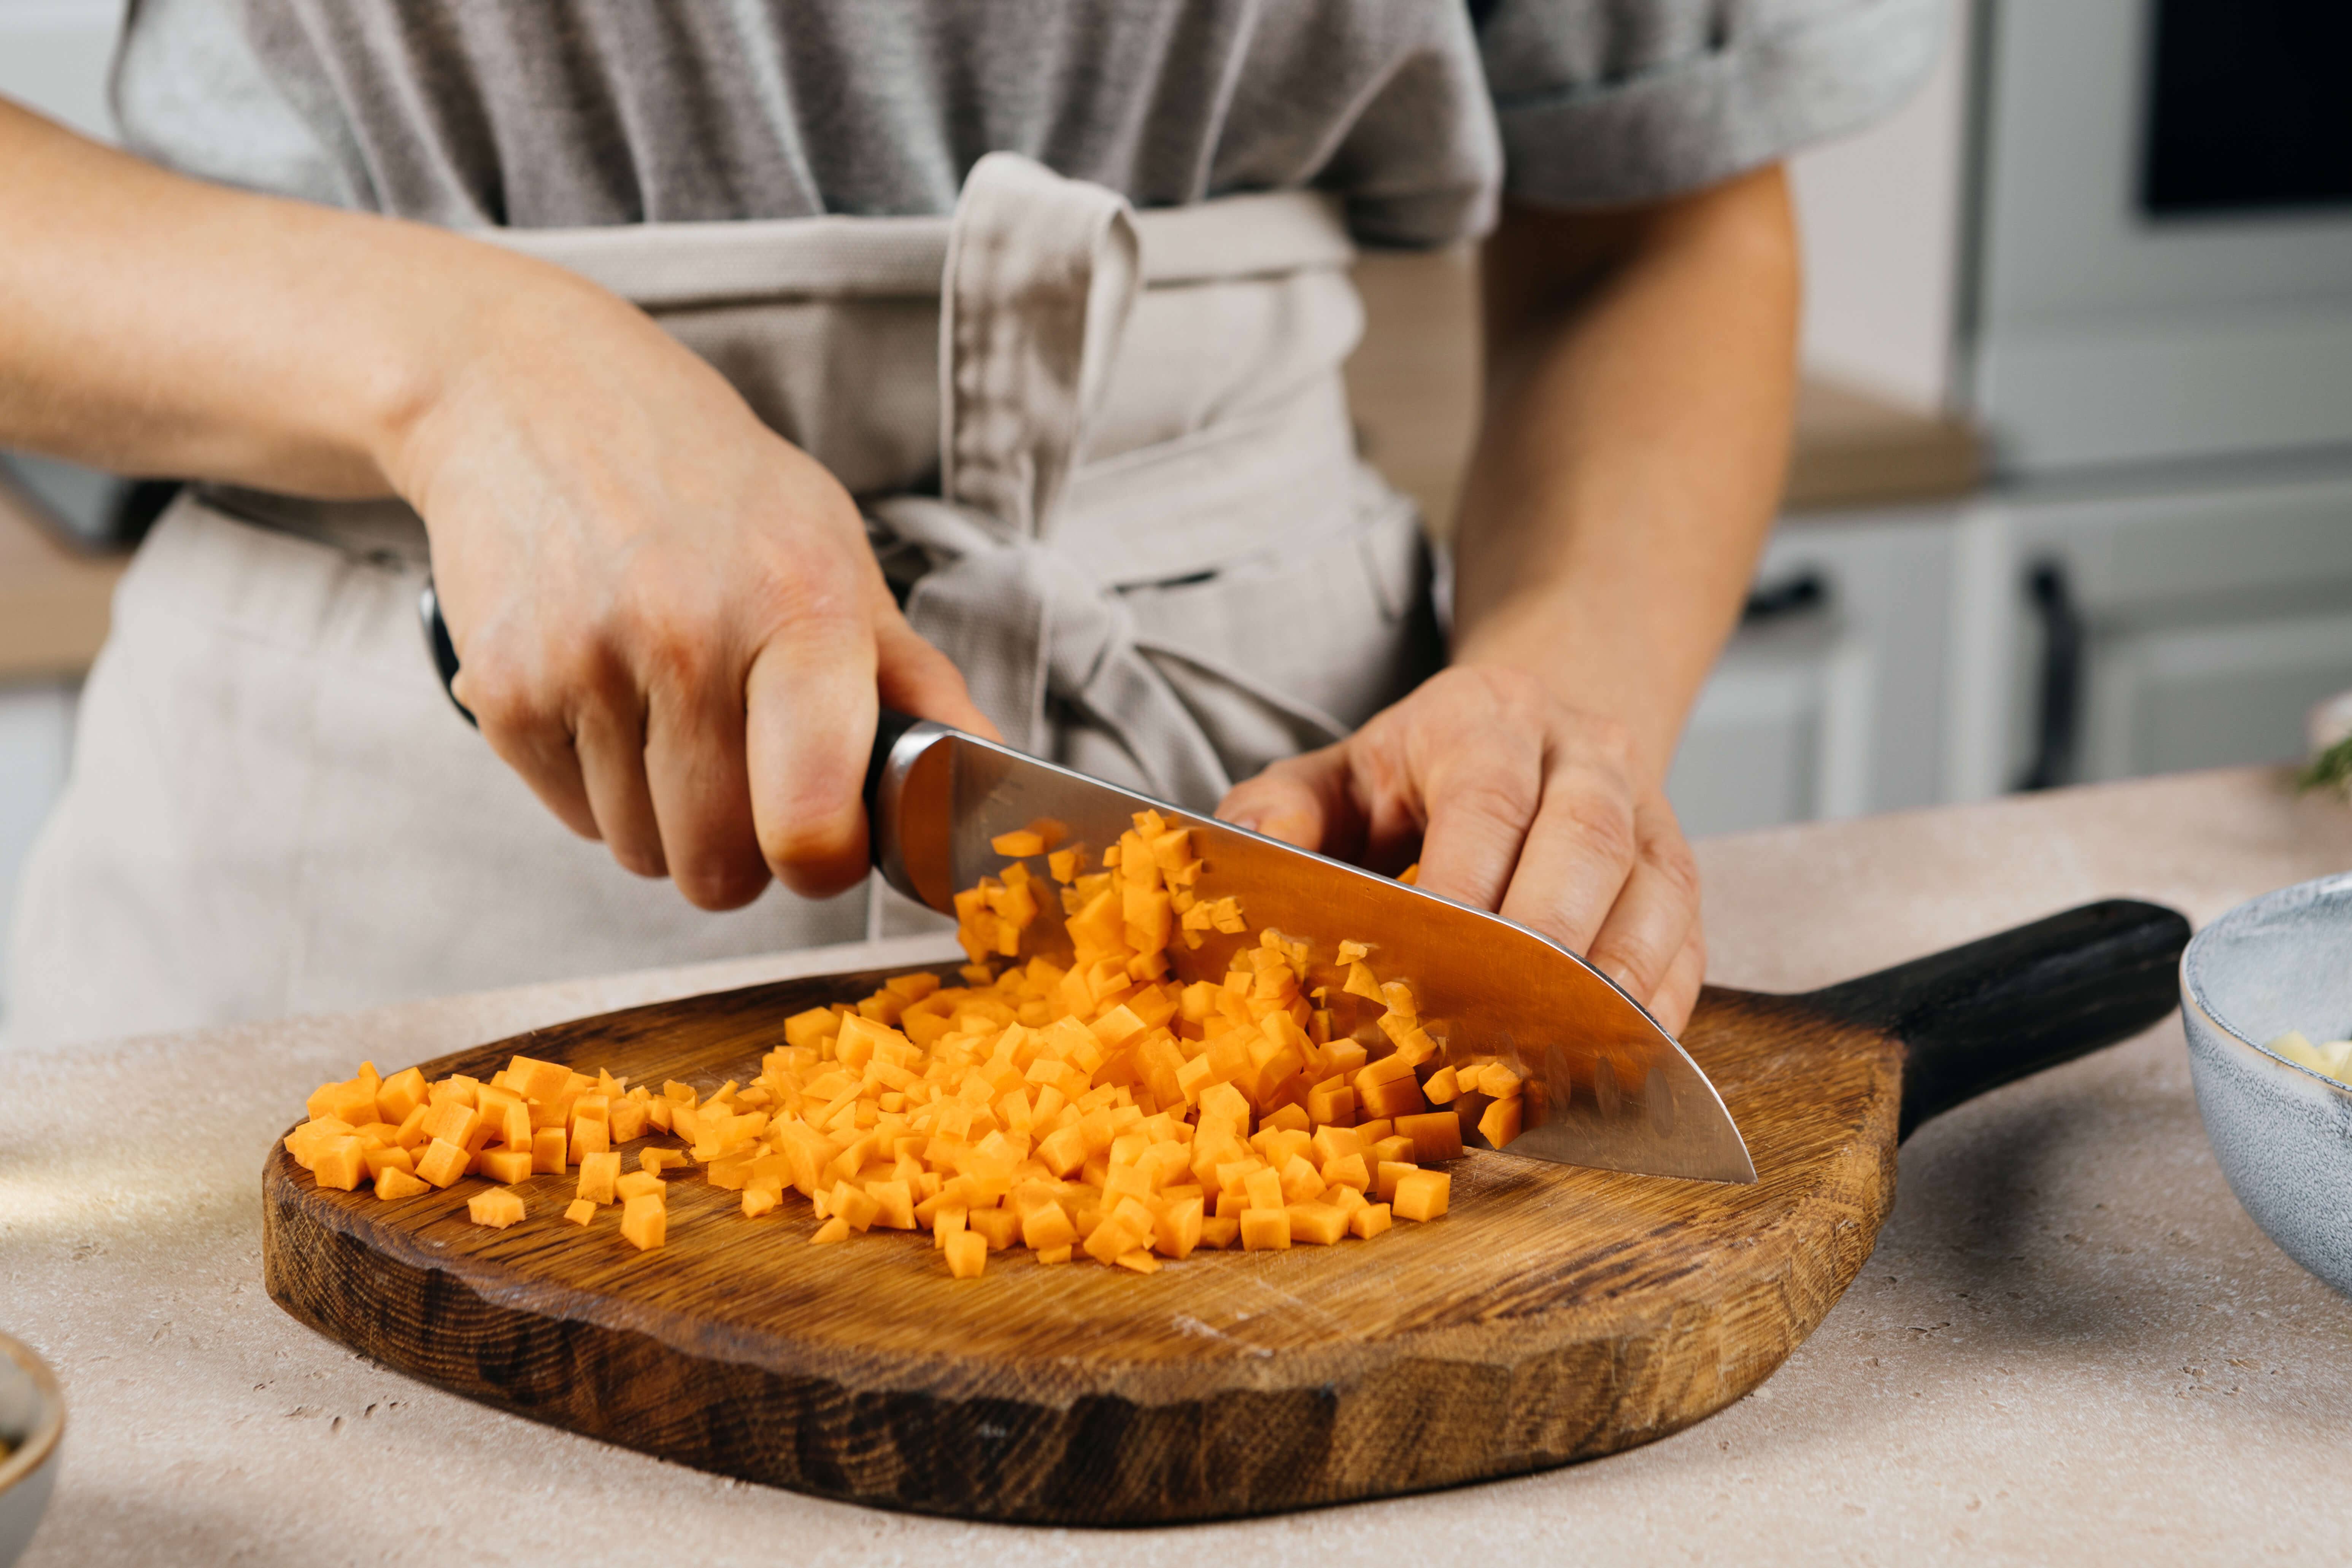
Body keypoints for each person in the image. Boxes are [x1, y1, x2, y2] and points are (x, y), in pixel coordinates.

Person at [0, 0, 1941, 1051]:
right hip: (363, 820)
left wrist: (1550, 706)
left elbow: (1651, 221)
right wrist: (461, 367)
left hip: (1274, 784)